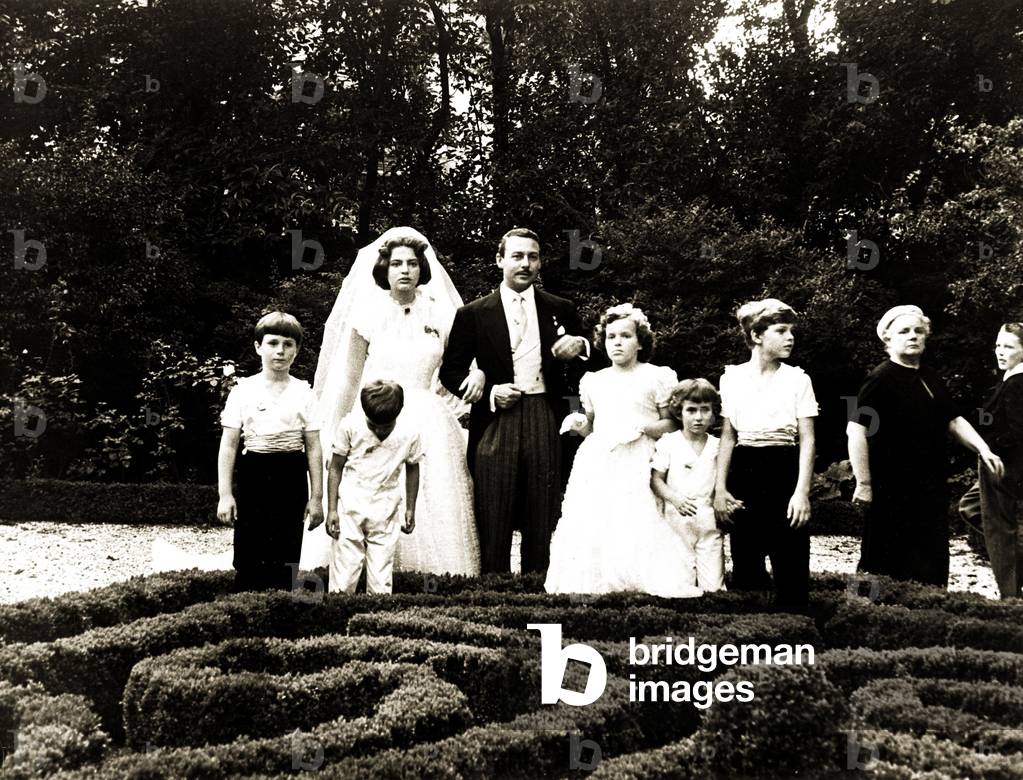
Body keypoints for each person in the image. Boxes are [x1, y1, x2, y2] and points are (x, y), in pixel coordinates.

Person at [300, 227, 483, 577]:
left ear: (422, 270)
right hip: (375, 413)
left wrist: (478, 376)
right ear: (384, 269)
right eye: (396, 263)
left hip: (427, 417)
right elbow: (350, 378)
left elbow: (458, 366)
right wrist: (339, 426)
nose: (405, 270)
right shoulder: (367, 314)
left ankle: (432, 577)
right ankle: (365, 573)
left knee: (432, 493)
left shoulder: (440, 314)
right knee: (370, 491)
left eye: (412, 264)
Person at [439, 228, 590, 574]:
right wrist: (489, 392)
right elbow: (450, 372)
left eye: (533, 257)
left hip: (543, 414)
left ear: (540, 263)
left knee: (542, 509)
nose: (525, 264)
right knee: (494, 508)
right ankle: (495, 587)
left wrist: (580, 346)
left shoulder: (559, 308)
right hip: (495, 420)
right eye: (517, 256)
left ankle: (537, 586)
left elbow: (593, 362)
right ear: (500, 260)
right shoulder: (473, 314)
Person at [544, 304, 703, 597]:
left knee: (636, 516)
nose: (617, 342)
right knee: (599, 518)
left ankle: (640, 575)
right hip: (600, 458)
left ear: (640, 341)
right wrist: (579, 424)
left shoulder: (656, 376)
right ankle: (600, 578)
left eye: (626, 336)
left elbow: (671, 422)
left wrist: (642, 429)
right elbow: (594, 425)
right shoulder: (595, 380)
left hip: (640, 456)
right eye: (611, 336)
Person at [847, 305, 1004, 587]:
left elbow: (953, 421)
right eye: (904, 331)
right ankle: (871, 620)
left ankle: (928, 616)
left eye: (919, 331)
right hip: (890, 489)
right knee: (883, 564)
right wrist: (864, 483)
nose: (913, 336)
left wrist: (984, 449)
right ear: (887, 338)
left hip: (929, 487)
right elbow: (856, 430)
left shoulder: (930, 377)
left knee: (930, 564)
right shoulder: (881, 378)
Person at [714, 299, 818, 612]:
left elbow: (808, 439)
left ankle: (797, 635)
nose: (790, 338)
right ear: (757, 335)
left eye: (792, 331)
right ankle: (752, 640)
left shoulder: (798, 379)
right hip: (745, 468)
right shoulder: (731, 378)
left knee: (791, 560)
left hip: (784, 467)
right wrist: (720, 489)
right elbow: (728, 436)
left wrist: (801, 493)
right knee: (747, 561)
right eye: (781, 330)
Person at [217, 312, 324, 591]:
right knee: (249, 549)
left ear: (297, 350)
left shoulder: (304, 392)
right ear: (258, 347)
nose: (280, 351)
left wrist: (316, 498)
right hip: (254, 473)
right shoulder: (243, 390)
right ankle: (247, 612)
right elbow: (229, 445)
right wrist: (225, 494)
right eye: (273, 343)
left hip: (291, 474)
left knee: (286, 549)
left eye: (288, 344)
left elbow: (313, 446)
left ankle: (282, 615)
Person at [325, 380, 422, 594]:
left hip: (386, 507)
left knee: (381, 575)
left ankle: (375, 620)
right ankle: (338, 615)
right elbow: (335, 468)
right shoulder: (349, 426)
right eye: (372, 424)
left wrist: (410, 508)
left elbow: (413, 468)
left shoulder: (409, 433)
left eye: (385, 425)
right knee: (345, 571)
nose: (378, 429)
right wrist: (332, 509)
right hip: (350, 505)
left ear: (398, 413)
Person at [652, 378, 735, 593]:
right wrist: (674, 498)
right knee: (679, 585)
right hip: (676, 523)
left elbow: (722, 482)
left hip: (708, 522)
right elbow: (656, 479)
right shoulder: (669, 442)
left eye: (705, 410)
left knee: (713, 588)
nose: (698, 417)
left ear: (714, 412)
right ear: (679, 412)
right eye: (691, 410)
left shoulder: (717, 446)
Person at [959, 322, 1023, 598]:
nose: (999, 351)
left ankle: (1010, 598)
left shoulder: (1018, 383)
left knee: (999, 531)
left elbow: (1018, 432)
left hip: (1002, 466)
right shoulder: (1010, 377)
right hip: (996, 463)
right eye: (998, 344)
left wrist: (987, 447)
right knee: (969, 506)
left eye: (1008, 346)